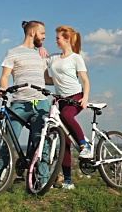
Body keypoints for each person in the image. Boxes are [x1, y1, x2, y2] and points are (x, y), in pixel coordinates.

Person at [0, 20, 52, 190]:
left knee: (42, 141)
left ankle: (43, 180)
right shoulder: (13, 52)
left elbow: (46, 79)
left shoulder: (42, 54)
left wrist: (68, 81)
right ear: (32, 33)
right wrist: (2, 89)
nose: (45, 37)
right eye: (43, 33)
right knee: (8, 140)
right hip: (19, 103)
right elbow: (5, 76)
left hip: (41, 103)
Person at [43, 25, 91, 190]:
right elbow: (49, 80)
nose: (55, 40)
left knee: (66, 116)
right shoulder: (54, 58)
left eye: (58, 38)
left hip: (75, 96)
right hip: (61, 99)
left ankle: (85, 145)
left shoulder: (76, 58)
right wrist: (40, 51)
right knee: (64, 142)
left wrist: (85, 98)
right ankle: (68, 181)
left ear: (67, 39)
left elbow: (85, 80)